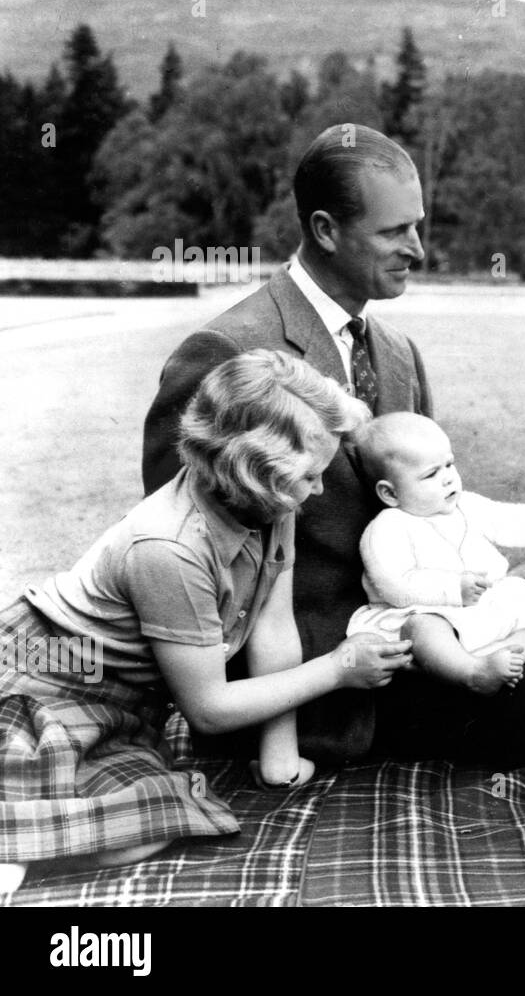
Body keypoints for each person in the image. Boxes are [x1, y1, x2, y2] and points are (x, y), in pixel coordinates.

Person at [142, 123, 525, 766]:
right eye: (395, 232)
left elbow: (435, 507)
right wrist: (302, 689)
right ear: (324, 229)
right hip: (328, 661)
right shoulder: (228, 353)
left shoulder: (398, 354)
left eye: (417, 226)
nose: (418, 249)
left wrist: (473, 604)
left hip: (433, 615)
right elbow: (183, 545)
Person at [0, 351, 411, 898]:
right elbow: (210, 710)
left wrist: (278, 754)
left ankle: (28, 834)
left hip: (119, 704)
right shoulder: (169, 547)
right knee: (134, 826)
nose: (316, 491)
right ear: (252, 471)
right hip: (41, 681)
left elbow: (272, 624)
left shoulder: (270, 500)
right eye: (310, 477)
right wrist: (338, 669)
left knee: (153, 813)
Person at [348, 412, 525, 695]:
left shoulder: (467, 506)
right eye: (431, 474)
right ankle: (472, 673)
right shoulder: (388, 527)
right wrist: (452, 588)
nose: (448, 479)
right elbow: (394, 584)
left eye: (449, 464)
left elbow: (512, 518)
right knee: (424, 628)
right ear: (390, 494)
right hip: (423, 613)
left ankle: (500, 663)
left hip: (479, 614)